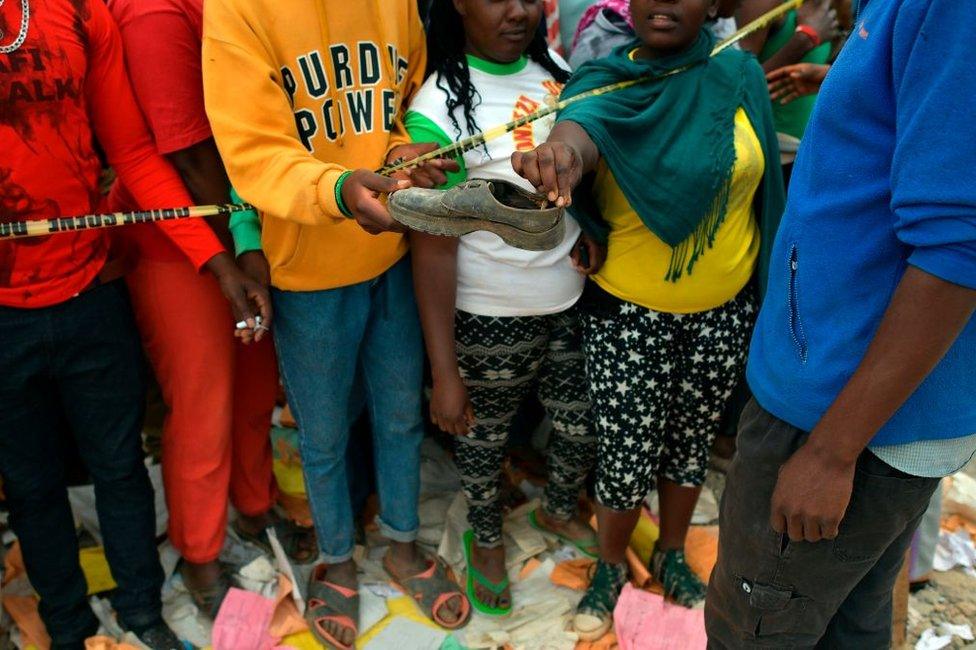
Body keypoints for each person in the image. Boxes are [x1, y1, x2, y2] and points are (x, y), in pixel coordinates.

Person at [704, 0, 976, 646]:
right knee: (846, 623)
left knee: (755, 627)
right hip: (849, 405)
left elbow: (956, 252)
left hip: (842, 420)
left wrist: (831, 452)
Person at [201, 1, 469, 647]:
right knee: (321, 438)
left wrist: (409, 150)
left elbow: (408, 99)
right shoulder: (239, 12)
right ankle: (337, 559)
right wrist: (340, 189)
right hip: (307, 275)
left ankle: (402, 547)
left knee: (400, 417)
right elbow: (253, 151)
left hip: (391, 256)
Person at [0, 0, 268, 647]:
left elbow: (136, 156)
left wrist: (215, 260)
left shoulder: (80, 14)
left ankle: (142, 614)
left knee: (119, 467)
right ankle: (68, 627)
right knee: (33, 489)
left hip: (90, 289)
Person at [513, 0, 785, 637]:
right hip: (629, 315)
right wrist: (561, 159)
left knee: (690, 444)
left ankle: (668, 552)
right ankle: (611, 564)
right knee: (626, 453)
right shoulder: (606, 83)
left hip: (724, 310)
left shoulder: (740, 78)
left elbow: (768, 186)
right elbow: (575, 135)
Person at [104, 0, 317, 618]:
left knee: (254, 384)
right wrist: (238, 253)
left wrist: (252, 243)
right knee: (203, 404)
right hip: (178, 239)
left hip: (241, 222)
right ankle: (199, 550)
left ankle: (254, 505)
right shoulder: (153, 14)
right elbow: (188, 154)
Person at [406, 0, 599, 617]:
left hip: (567, 298)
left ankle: (557, 508)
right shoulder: (437, 106)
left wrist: (590, 224)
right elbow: (432, 248)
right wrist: (445, 373)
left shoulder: (556, 70)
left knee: (578, 426)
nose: (517, 11)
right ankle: (486, 539)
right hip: (487, 313)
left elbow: (583, 174)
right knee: (483, 442)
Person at [737, 0, 838, 178]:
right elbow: (734, 90)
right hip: (767, 157)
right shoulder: (763, 5)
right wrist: (804, 39)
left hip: (807, 153)